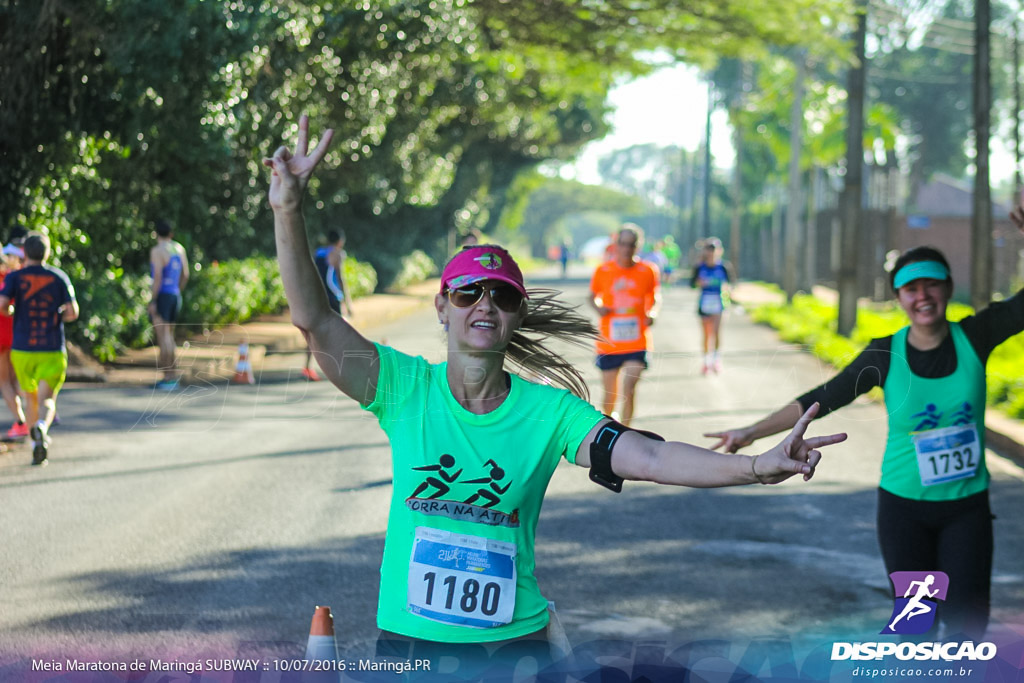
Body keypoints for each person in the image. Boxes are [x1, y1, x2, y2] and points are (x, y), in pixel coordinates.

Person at [263, 115, 847, 659]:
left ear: (516, 315)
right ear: (443, 307)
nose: (484, 303)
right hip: (413, 645)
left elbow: (647, 455)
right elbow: (315, 319)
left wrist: (756, 467)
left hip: (511, 651)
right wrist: (288, 210)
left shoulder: (549, 413)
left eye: (503, 295)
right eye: (468, 291)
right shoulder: (403, 388)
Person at [705, 206, 1024, 641]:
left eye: (932, 284)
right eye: (911, 288)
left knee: (969, 623)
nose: (923, 295)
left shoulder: (975, 336)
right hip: (904, 510)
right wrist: (750, 433)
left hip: (966, 509)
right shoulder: (884, 355)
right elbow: (820, 399)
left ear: (948, 288)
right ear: (898, 298)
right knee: (917, 624)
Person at [0, 232, 79, 466]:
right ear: (47, 253)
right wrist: (58, 314)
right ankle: (42, 427)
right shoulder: (59, 277)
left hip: (22, 349)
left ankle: (36, 444)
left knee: (30, 397)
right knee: (47, 398)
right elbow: (73, 312)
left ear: (25, 253)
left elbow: (2, 305)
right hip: (52, 348)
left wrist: (12, 312)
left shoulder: (15, 277)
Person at [589, 224, 660, 425]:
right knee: (610, 395)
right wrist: (599, 308)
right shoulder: (603, 271)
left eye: (632, 244)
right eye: (623, 244)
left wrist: (652, 312)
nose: (627, 249)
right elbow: (592, 297)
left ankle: (627, 435)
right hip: (609, 342)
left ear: (638, 246)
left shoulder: (648, 271)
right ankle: (611, 430)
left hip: (637, 341)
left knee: (629, 388)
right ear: (616, 245)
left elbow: (655, 297)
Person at [302, 229, 354, 381]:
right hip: (332, 296)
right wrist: (347, 302)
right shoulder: (338, 254)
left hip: (316, 296)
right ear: (340, 241)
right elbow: (340, 278)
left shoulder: (318, 253)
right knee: (339, 332)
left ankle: (307, 367)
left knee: (313, 333)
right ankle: (341, 369)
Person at [148, 219, 189, 390]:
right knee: (170, 337)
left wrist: (153, 299)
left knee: (162, 337)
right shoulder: (179, 248)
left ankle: (167, 378)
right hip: (175, 295)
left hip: (163, 295)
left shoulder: (157, 251)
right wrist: (177, 290)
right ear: (170, 233)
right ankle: (173, 375)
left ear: (156, 233)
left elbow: (157, 276)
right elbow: (185, 274)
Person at [0, 232, 28, 442]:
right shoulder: (15, 277)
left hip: (2, 337)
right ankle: (31, 418)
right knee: (15, 379)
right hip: (17, 334)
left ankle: (21, 422)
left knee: (4, 382)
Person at [691, 238, 732, 374]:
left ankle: (716, 360)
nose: (711, 253)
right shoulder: (699, 267)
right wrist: (699, 282)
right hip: (704, 304)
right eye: (709, 250)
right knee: (706, 334)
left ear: (719, 251)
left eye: (714, 250)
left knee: (717, 332)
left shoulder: (724, 267)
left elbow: (731, 283)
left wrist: (727, 292)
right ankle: (706, 361)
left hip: (719, 304)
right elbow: (691, 284)